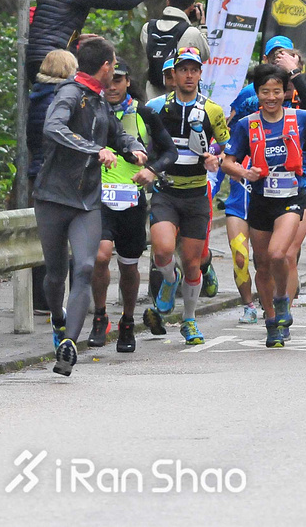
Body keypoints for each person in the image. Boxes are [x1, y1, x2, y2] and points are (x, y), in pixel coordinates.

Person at [33, 38, 147, 376]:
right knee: (56, 275)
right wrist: (92, 150)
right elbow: (53, 128)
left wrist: (133, 147)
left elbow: (116, 134)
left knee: (83, 268)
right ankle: (58, 321)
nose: (115, 68)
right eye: (113, 63)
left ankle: (68, 344)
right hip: (53, 198)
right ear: (106, 67)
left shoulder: (101, 101)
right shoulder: (70, 93)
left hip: (86, 202)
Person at [222, 64, 306, 347]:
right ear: (257, 93)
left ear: (285, 92)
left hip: (291, 199)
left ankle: (282, 301)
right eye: (265, 91)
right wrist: (245, 173)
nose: (271, 97)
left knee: (279, 254)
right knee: (262, 263)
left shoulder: (300, 118)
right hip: (259, 200)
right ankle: (271, 320)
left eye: (276, 91)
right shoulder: (247, 124)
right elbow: (227, 162)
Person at [88, 58, 177, 353]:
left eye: (119, 80)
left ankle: (127, 322)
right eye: (109, 80)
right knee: (100, 257)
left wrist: (151, 170)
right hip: (97, 199)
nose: (112, 86)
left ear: (128, 82)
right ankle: (100, 317)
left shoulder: (143, 113)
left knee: (128, 266)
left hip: (131, 200)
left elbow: (170, 152)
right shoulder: (90, 109)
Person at [144, 47, 229, 345]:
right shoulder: (156, 107)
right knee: (163, 251)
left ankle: (189, 320)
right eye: (184, 69)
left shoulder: (212, 110)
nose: (189, 75)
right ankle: (170, 279)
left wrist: (214, 156)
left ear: (200, 74)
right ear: (173, 74)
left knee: (193, 263)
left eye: (194, 70)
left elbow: (225, 144)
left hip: (196, 194)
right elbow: (143, 139)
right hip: (166, 191)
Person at [27, 49, 78, 312]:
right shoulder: (62, 100)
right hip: (58, 175)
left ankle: (41, 299)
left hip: (37, 171)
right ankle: (59, 300)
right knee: (64, 237)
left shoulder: (36, 95)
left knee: (44, 238)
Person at [141, 0, 210, 100]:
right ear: (192, 7)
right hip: (182, 100)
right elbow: (204, 54)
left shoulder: (147, 28)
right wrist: (201, 25)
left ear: (168, 2)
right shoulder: (192, 32)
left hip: (154, 99)